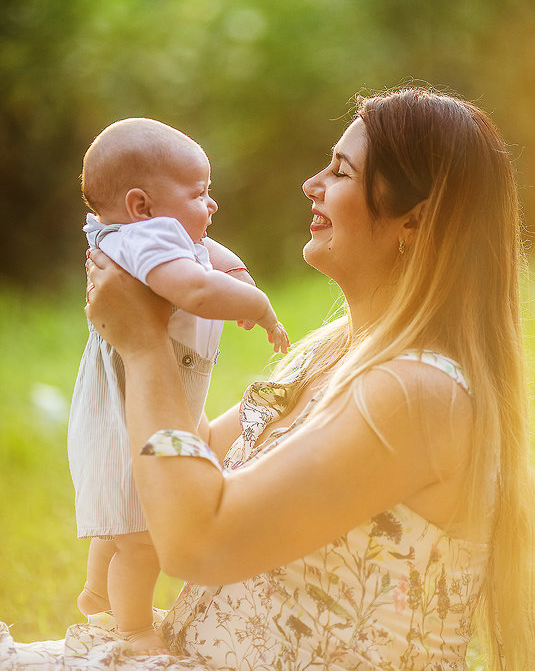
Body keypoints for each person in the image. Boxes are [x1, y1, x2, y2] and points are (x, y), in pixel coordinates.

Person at [1, 88, 534, 670]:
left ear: (415, 220)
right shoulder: (331, 353)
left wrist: (147, 349)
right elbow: (190, 460)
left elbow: (196, 541)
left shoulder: (419, 393)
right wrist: (163, 325)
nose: (313, 183)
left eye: (341, 170)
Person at [68, 117, 290, 655]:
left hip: (149, 406)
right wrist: (257, 306)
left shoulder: (143, 236)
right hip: (130, 415)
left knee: (121, 517)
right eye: (199, 193)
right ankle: (134, 630)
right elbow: (191, 287)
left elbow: (206, 257)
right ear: (142, 206)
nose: (211, 205)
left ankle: (98, 589)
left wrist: (234, 272)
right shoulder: (148, 240)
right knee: (142, 540)